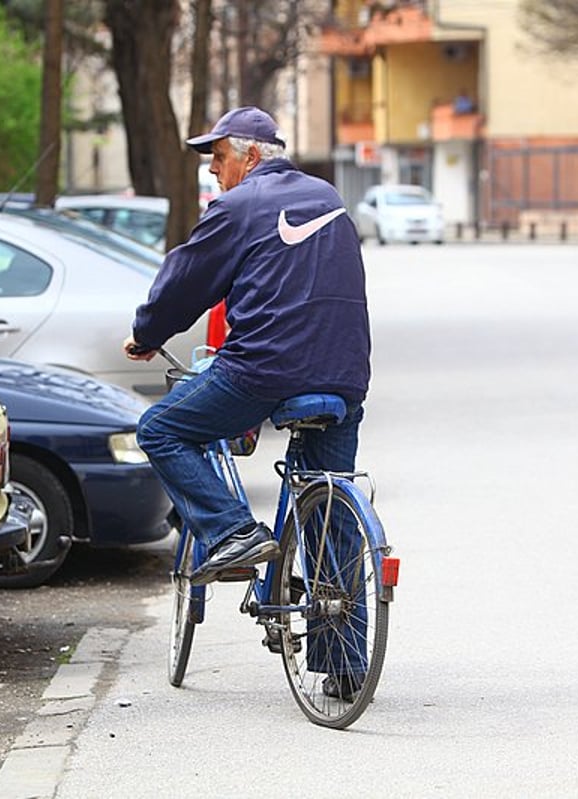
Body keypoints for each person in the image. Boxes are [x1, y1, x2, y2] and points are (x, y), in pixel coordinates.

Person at [122, 107, 371, 698]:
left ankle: (235, 532)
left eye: (219, 159)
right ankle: (345, 666)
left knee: (161, 428)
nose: (213, 172)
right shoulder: (328, 197)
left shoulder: (238, 207)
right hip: (343, 374)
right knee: (330, 506)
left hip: (263, 369)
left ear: (251, 155)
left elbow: (185, 280)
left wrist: (149, 332)